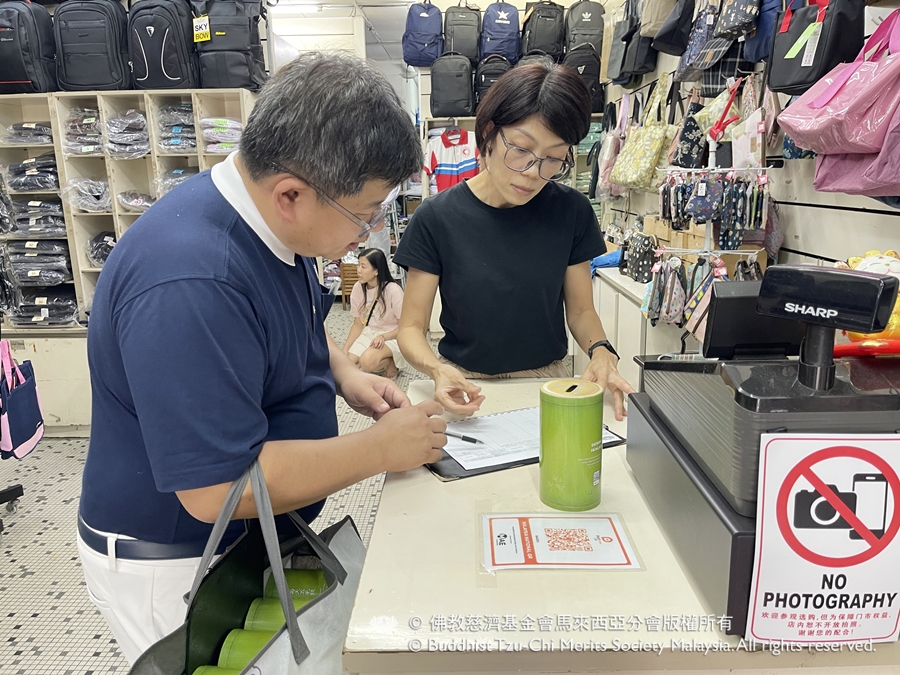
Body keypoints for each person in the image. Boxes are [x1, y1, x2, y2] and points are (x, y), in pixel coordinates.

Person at [76, 52, 447, 665]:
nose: (369, 231)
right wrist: (382, 449)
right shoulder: (192, 280)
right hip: (183, 563)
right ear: (291, 194)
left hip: (250, 538)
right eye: (364, 214)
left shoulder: (273, 225)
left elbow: (289, 324)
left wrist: (342, 373)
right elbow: (215, 488)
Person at [395, 61, 634, 420]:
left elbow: (581, 311)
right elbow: (411, 328)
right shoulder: (436, 217)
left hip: (545, 379)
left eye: (553, 158)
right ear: (488, 133)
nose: (533, 173)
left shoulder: (571, 210)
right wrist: (435, 369)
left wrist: (601, 351)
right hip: (461, 380)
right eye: (521, 149)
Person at [343, 248, 406, 378]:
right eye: (358, 265)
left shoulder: (393, 290)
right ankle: (377, 358)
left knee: (366, 362)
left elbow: (404, 326)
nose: (358, 270)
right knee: (345, 364)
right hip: (369, 333)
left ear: (376, 271)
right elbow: (357, 324)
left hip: (392, 336)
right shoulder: (358, 288)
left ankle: (390, 362)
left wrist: (384, 337)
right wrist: (345, 350)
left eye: (363, 266)